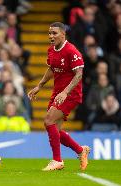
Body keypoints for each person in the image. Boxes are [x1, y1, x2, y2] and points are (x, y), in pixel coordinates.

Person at [27, 22, 90, 171]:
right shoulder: (51, 50)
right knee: (55, 130)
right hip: (58, 93)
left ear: (63, 34)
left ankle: (57, 160)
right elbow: (51, 68)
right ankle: (81, 151)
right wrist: (40, 85)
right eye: (49, 33)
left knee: (49, 121)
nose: (51, 36)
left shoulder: (71, 51)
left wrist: (65, 92)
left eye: (54, 33)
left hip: (70, 93)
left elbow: (79, 74)